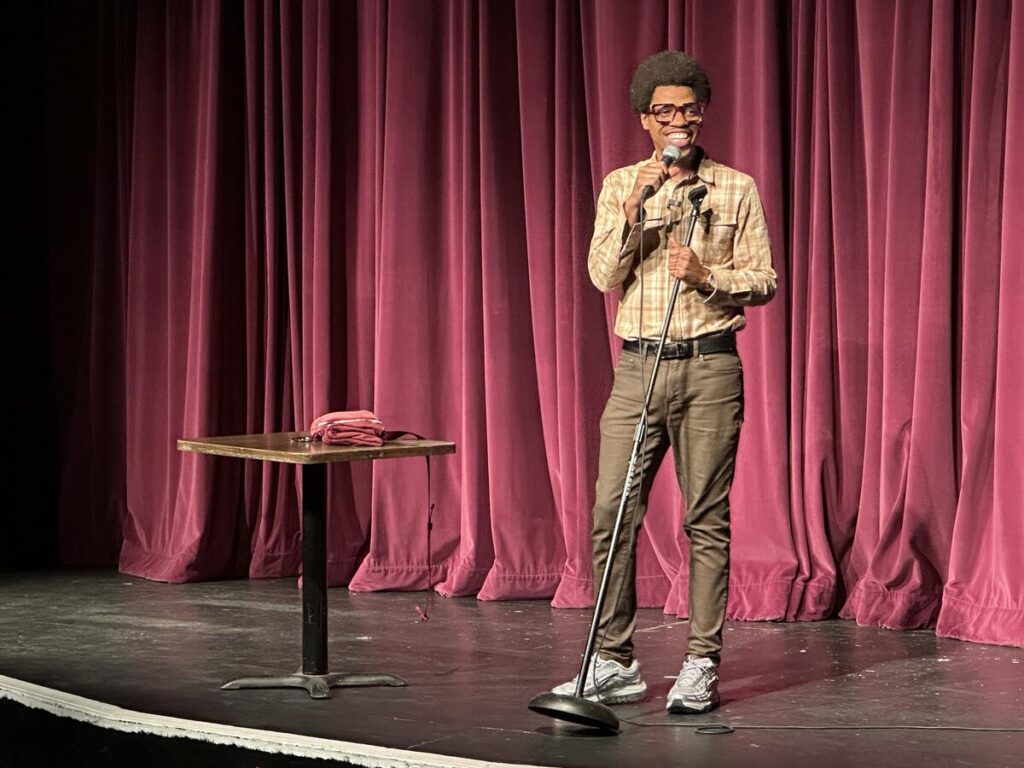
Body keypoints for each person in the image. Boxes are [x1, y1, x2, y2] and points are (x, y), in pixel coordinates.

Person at [553, 50, 776, 714]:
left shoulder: (734, 187)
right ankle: (613, 661)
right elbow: (602, 275)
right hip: (638, 367)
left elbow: (763, 280)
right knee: (611, 513)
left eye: (689, 108)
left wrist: (708, 277)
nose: (679, 120)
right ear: (645, 120)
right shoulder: (623, 184)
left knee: (705, 518)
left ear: (702, 114)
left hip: (709, 367)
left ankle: (700, 663)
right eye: (665, 111)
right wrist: (636, 210)